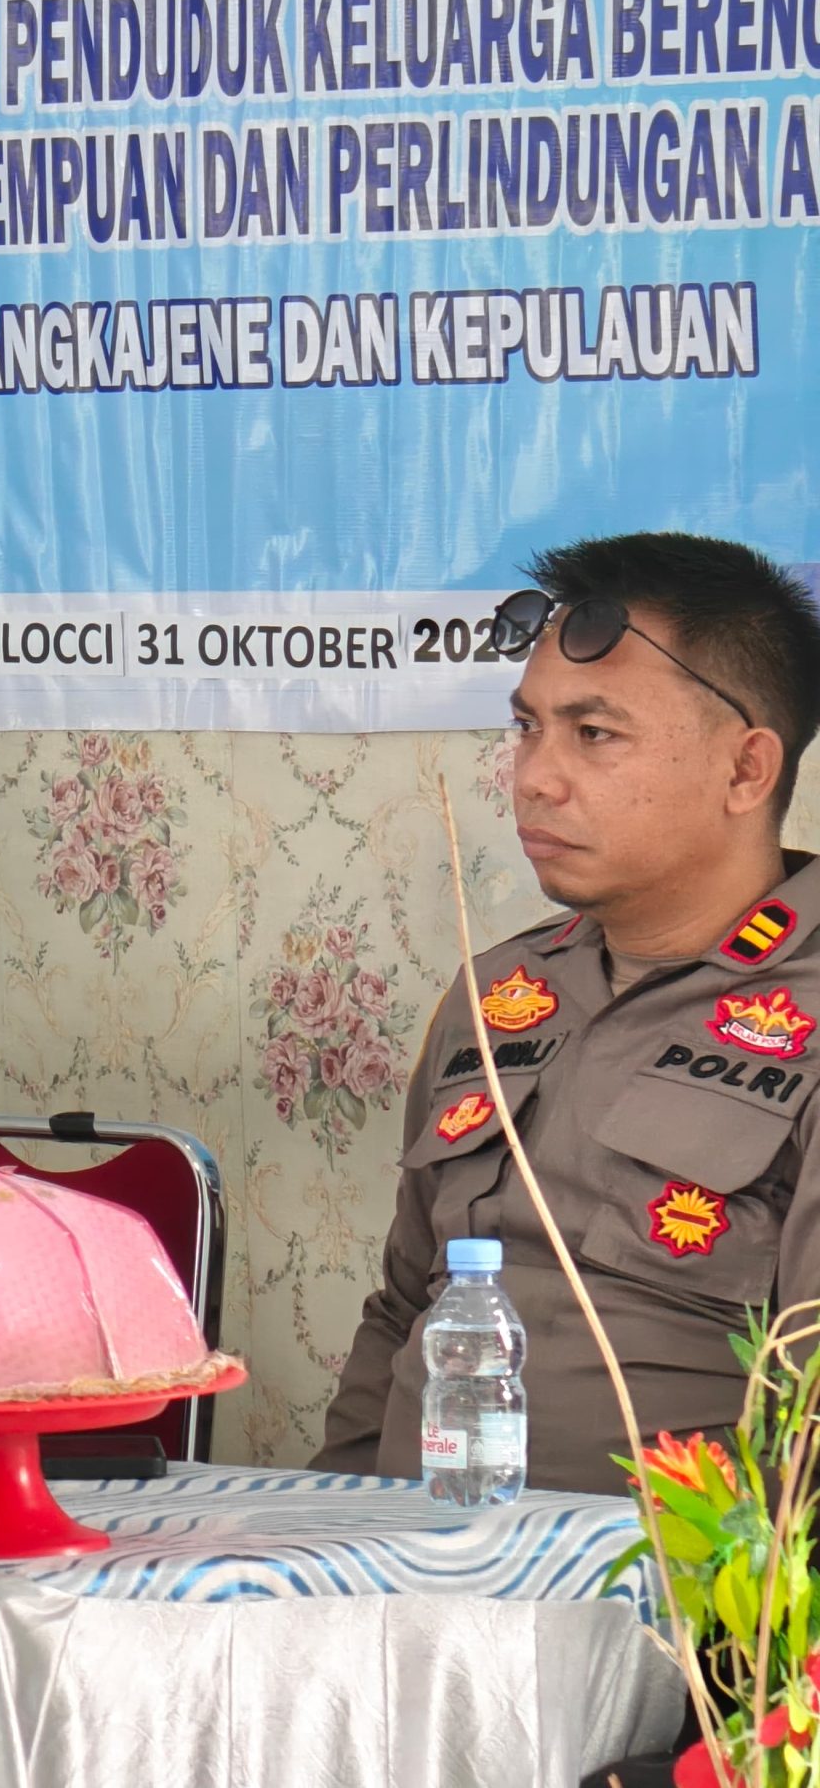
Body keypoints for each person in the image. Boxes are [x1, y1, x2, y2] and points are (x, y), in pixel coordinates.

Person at [317, 532, 820, 1497]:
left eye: (594, 733)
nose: (534, 778)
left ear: (746, 770)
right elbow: (405, 1308)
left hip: (671, 1579)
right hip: (417, 1551)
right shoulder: (499, 994)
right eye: (528, 727)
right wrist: (327, 1520)